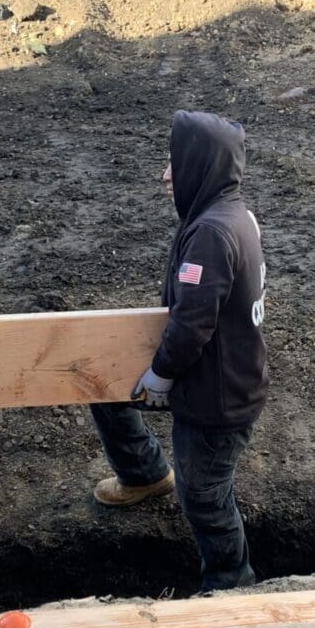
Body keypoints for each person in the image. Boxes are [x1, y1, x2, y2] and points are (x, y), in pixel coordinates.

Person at [89, 111, 268, 591]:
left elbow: (192, 324)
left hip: (217, 397)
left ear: (201, 166)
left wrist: (161, 375)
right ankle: (144, 473)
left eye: (174, 163)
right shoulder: (228, 214)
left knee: (205, 495)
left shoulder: (212, 232)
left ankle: (233, 585)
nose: (165, 174)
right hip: (215, 374)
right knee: (105, 386)